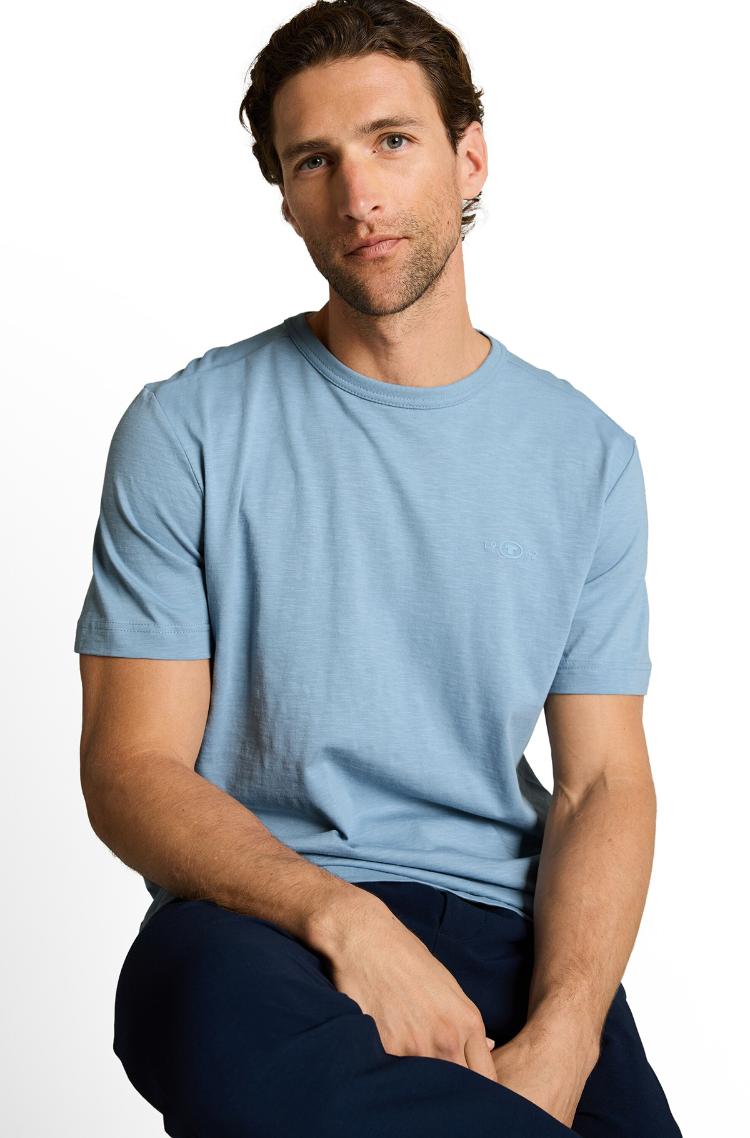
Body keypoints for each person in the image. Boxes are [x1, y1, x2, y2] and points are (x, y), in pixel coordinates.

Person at [74, 2, 683, 1134]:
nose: (358, 195)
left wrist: (564, 1035)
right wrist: (346, 922)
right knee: (194, 1007)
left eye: (392, 141)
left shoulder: (587, 456)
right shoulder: (188, 428)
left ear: (469, 157)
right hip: (265, 922)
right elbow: (131, 770)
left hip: (510, 935)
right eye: (315, 161)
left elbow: (604, 782)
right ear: (286, 194)